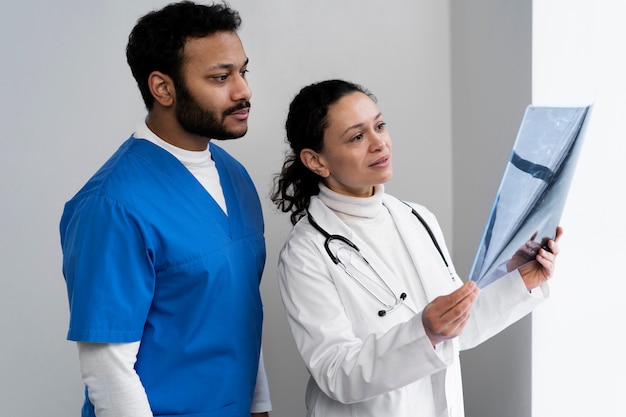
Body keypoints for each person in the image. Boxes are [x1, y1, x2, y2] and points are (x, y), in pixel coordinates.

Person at [271, 79, 562, 417]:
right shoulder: (305, 253)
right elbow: (336, 373)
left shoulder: (416, 217)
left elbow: (457, 329)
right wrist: (423, 331)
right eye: (357, 137)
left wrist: (520, 278)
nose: (379, 143)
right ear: (316, 161)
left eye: (379, 126)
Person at [60, 2, 271, 416]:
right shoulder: (112, 206)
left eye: (242, 72)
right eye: (220, 77)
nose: (243, 90)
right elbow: (108, 371)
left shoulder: (235, 177)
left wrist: (259, 405)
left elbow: (240, 310)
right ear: (163, 88)